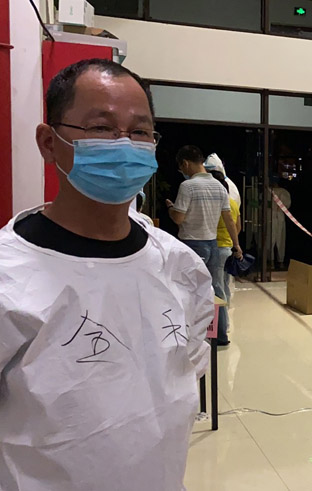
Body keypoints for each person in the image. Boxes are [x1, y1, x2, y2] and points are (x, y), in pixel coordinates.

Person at [0, 58, 212, 490]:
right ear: (49, 142)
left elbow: (183, 377)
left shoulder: (179, 265)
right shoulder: (10, 275)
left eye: (140, 132)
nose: (125, 145)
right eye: (101, 128)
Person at [167, 145, 242, 346]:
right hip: (213, 244)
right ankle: (220, 335)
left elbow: (179, 218)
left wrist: (171, 209)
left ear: (185, 163)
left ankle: (194, 337)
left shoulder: (188, 186)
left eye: (181, 167)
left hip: (192, 244)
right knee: (216, 290)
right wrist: (236, 244)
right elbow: (229, 219)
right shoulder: (219, 186)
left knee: (190, 292)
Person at [210, 169, 241, 339]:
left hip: (217, 246)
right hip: (228, 247)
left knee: (217, 287)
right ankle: (226, 320)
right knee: (225, 285)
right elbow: (238, 227)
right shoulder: (233, 203)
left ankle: (222, 326)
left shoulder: (216, 203)